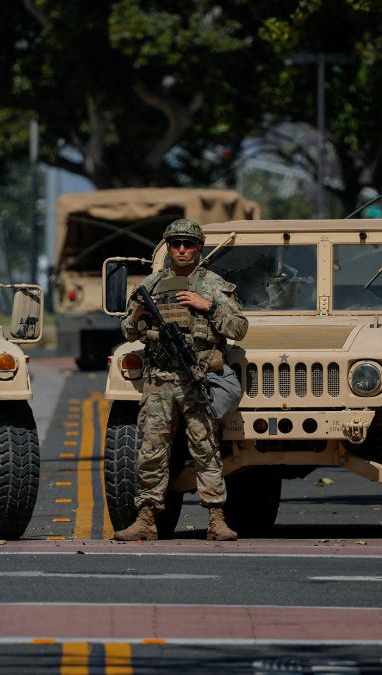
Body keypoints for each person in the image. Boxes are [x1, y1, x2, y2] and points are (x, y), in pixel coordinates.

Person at [113, 219, 249, 542]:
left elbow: (239, 328)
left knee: (205, 449)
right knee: (151, 450)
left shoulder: (213, 285)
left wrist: (208, 307)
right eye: (176, 244)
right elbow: (126, 330)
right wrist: (137, 316)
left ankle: (216, 519)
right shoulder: (152, 284)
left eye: (188, 244)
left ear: (199, 248)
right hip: (159, 380)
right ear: (169, 247)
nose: (182, 249)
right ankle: (146, 518)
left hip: (197, 378)